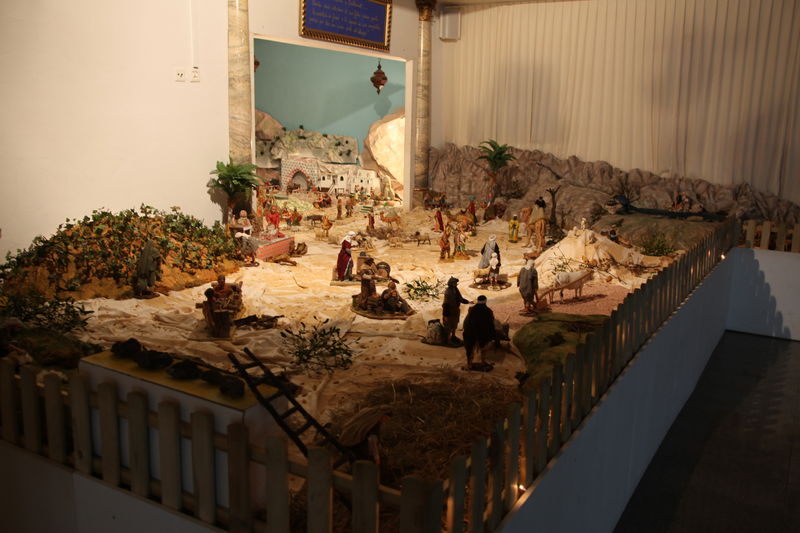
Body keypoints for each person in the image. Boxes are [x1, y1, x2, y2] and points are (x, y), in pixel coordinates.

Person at [462, 295, 497, 370]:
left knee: (470, 349)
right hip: (483, 334)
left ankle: (469, 364)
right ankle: (483, 361)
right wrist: (492, 334)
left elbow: (466, 322)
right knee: (483, 349)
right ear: (485, 301)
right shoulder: (488, 311)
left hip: (470, 333)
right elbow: (491, 324)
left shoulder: (471, 310)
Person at [442, 277, 471, 344]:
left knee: (454, 324)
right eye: (455, 283)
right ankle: (448, 339)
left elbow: (460, 298)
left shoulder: (455, 289)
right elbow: (446, 304)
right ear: (452, 283)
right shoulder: (448, 292)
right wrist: (445, 315)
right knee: (448, 325)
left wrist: (467, 301)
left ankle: (453, 336)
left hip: (455, 309)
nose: (456, 284)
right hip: (449, 310)